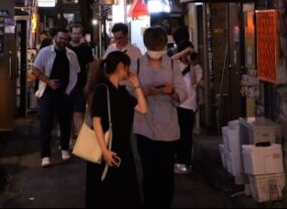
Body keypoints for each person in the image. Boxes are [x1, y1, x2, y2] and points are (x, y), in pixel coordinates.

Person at [133, 26, 187, 208]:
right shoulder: (138, 64)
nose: (156, 52)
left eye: (159, 47)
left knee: (166, 172)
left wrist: (171, 91)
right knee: (149, 171)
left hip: (169, 128)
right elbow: (128, 90)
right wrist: (145, 91)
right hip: (145, 127)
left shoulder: (172, 64)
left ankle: (164, 204)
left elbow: (182, 91)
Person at [85, 51, 147, 208]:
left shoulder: (121, 91)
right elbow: (96, 121)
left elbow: (143, 108)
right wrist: (104, 151)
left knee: (122, 189)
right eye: (127, 67)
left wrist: (137, 84)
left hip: (122, 146)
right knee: (106, 189)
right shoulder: (102, 89)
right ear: (121, 67)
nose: (129, 71)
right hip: (106, 146)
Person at [31, 27, 80, 167]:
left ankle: (65, 149)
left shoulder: (71, 54)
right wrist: (48, 81)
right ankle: (45, 156)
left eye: (65, 39)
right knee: (46, 123)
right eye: (60, 38)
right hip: (47, 92)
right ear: (55, 38)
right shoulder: (45, 52)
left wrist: (72, 89)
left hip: (65, 92)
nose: (63, 41)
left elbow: (76, 72)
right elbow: (35, 69)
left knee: (65, 122)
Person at [173, 51, 203, 173]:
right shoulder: (176, 65)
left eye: (189, 53)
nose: (187, 56)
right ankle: (179, 160)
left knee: (186, 135)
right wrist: (183, 52)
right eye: (185, 53)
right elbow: (169, 59)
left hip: (189, 105)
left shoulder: (197, 68)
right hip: (176, 104)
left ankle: (186, 162)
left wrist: (191, 63)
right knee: (177, 135)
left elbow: (193, 81)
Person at [69, 23, 96, 138]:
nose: (76, 36)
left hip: (81, 84)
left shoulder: (86, 48)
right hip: (67, 85)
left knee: (78, 112)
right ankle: (69, 140)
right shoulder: (66, 47)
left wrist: (88, 84)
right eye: (74, 33)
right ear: (71, 34)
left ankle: (82, 140)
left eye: (78, 33)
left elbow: (91, 67)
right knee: (68, 113)